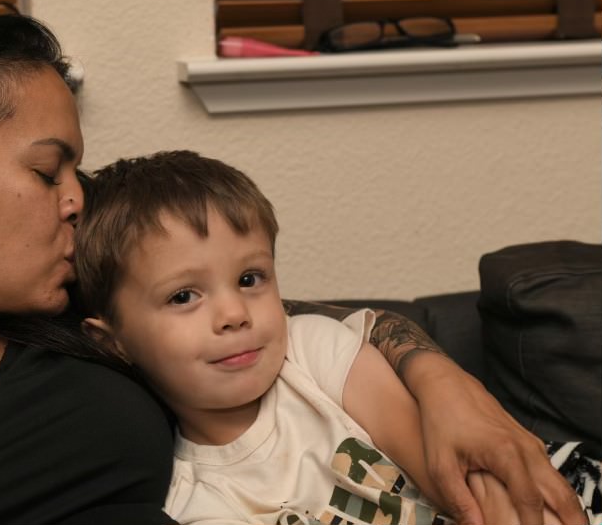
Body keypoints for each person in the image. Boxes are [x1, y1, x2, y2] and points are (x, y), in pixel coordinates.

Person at [0, 14, 585, 525]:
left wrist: (452, 389)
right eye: (47, 172)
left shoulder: (82, 313)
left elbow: (290, 322)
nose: (78, 200)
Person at [73, 150, 592, 525]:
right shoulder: (189, 499)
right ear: (112, 342)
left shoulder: (314, 350)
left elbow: (462, 477)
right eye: (184, 296)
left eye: (250, 279)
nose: (234, 313)